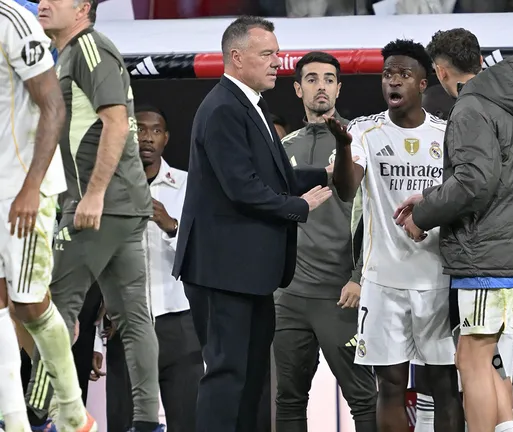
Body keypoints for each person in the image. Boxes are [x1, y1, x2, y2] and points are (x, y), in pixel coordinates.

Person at [172, 16, 332, 432]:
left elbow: (270, 175)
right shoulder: (224, 108)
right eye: (267, 54)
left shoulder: (249, 104)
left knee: (250, 377)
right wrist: (298, 206)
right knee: (227, 375)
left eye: (277, 53)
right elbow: (242, 187)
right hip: (222, 272)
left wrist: (324, 175)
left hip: (249, 274)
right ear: (237, 57)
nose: (277, 61)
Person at [393, 28, 513, 432]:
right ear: (479, 61)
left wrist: (422, 216)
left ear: (441, 72)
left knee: (471, 359)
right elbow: (499, 176)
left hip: (487, 255)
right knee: (490, 357)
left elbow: (474, 183)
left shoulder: (470, 107)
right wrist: (430, 197)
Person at [27, 1, 163, 431]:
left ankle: (36, 415)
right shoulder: (69, 53)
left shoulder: (90, 49)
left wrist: (94, 195)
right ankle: (147, 422)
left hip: (100, 206)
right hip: (117, 205)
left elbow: (117, 123)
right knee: (133, 316)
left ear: (83, 8)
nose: (43, 3)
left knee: (54, 308)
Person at [326, 39, 464, 432]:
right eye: (388, 74)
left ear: (422, 83)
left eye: (404, 74)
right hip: (382, 282)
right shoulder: (362, 130)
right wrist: (343, 146)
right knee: (389, 387)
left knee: (444, 387)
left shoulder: (446, 133)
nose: (394, 81)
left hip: (437, 279)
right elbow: (347, 189)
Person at [0, 1, 97, 431]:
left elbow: (53, 107)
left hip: (24, 187)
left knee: (29, 304)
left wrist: (30, 186)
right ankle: (15, 422)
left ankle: (73, 413)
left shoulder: (14, 20)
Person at [276, 51, 377, 432]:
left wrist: (359, 276)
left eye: (329, 79)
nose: (322, 86)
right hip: (289, 296)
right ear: (298, 89)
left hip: (342, 293)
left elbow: (379, 216)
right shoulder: (283, 148)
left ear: (339, 88)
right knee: (288, 398)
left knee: (363, 398)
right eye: (313, 78)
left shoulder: (361, 141)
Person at [105, 105, 204, 432]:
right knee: (123, 422)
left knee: (187, 421)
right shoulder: (106, 188)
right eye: (140, 129)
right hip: (126, 322)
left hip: (179, 323)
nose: (147, 137)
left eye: (156, 130)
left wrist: (171, 226)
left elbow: (206, 253)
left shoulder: (188, 185)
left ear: (166, 138)